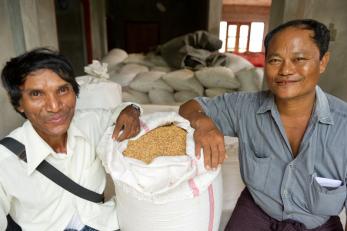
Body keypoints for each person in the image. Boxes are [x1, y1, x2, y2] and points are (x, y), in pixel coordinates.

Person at [179, 19, 347, 230]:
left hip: (317, 223)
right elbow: (190, 107)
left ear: (323, 61)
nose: (286, 70)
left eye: (299, 58)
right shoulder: (244, 107)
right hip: (258, 210)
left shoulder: (344, 126)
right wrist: (204, 123)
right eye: (275, 60)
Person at [0, 48, 141, 230]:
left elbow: (122, 111)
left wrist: (133, 110)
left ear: (75, 92)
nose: (54, 106)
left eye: (62, 90)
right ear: (19, 103)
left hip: (101, 224)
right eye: (36, 94)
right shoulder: (5, 160)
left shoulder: (90, 123)